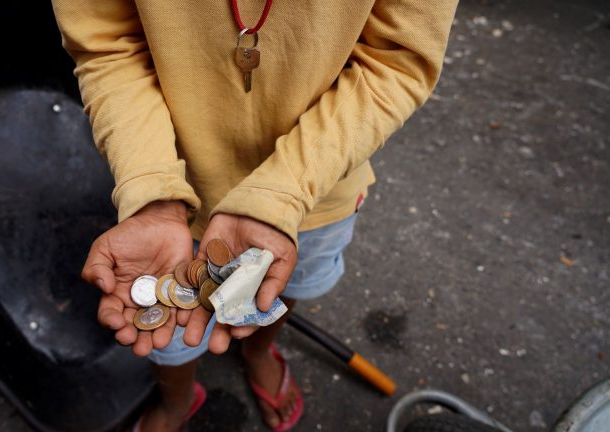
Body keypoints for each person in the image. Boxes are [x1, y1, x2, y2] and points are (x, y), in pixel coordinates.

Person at [51, 0, 457, 430]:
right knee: (167, 335)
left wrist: (284, 194)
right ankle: (177, 397)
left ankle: (259, 350)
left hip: (319, 188)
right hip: (174, 183)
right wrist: (152, 190)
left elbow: (397, 60)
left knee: (282, 291)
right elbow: (108, 44)